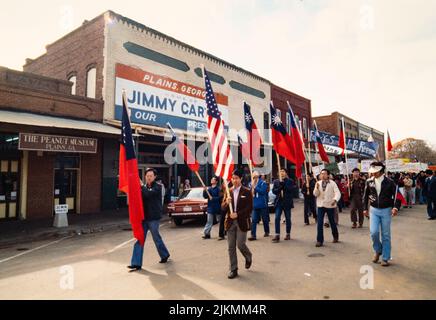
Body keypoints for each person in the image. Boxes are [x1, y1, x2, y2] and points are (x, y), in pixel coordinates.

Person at [128, 168, 170, 271]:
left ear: (155, 177)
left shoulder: (158, 187)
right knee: (139, 239)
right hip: (144, 218)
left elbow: (148, 194)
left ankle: (164, 255)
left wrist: (141, 186)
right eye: (147, 176)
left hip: (154, 218)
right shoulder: (143, 187)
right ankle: (136, 263)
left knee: (156, 238)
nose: (149, 178)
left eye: (151, 176)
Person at [363, 162, 400, 267]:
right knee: (373, 233)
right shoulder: (369, 181)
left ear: (381, 171)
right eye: (372, 172)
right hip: (373, 210)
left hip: (386, 210)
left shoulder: (390, 182)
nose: (373, 174)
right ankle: (378, 250)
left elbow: (397, 196)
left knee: (386, 235)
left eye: (375, 172)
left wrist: (395, 207)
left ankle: (385, 258)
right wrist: (365, 208)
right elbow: (365, 196)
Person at [222, 169, 253, 279]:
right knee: (231, 247)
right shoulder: (228, 191)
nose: (234, 180)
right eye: (233, 178)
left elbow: (249, 208)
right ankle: (233, 269)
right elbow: (223, 208)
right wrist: (227, 202)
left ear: (241, 179)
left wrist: (237, 214)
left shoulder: (247, 191)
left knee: (240, 244)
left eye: (236, 178)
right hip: (230, 222)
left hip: (241, 221)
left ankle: (248, 256)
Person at [314, 169, 341, 247]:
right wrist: (316, 188)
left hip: (330, 205)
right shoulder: (318, 183)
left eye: (324, 174)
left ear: (328, 175)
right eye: (321, 174)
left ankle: (335, 236)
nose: (323, 175)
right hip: (320, 205)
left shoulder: (333, 183)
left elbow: (337, 193)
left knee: (332, 222)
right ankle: (319, 240)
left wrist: (335, 200)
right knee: (319, 223)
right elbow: (316, 194)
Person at [272, 168, 296, 242]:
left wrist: (284, 185)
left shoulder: (290, 181)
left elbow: (291, 190)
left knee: (288, 218)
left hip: (287, 202)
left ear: (286, 173)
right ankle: (277, 235)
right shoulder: (276, 181)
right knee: (277, 218)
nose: (282, 173)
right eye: (280, 171)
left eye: (283, 171)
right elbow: (274, 191)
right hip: (279, 202)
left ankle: (288, 233)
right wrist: (280, 187)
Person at [248, 171, 270, 240]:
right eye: (253, 177)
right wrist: (251, 188)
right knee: (254, 220)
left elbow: (263, 191)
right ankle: (253, 235)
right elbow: (249, 192)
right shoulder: (250, 183)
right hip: (254, 204)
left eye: (255, 177)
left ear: (258, 177)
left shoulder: (263, 183)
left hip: (262, 204)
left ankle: (267, 231)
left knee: (264, 219)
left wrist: (255, 187)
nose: (254, 178)